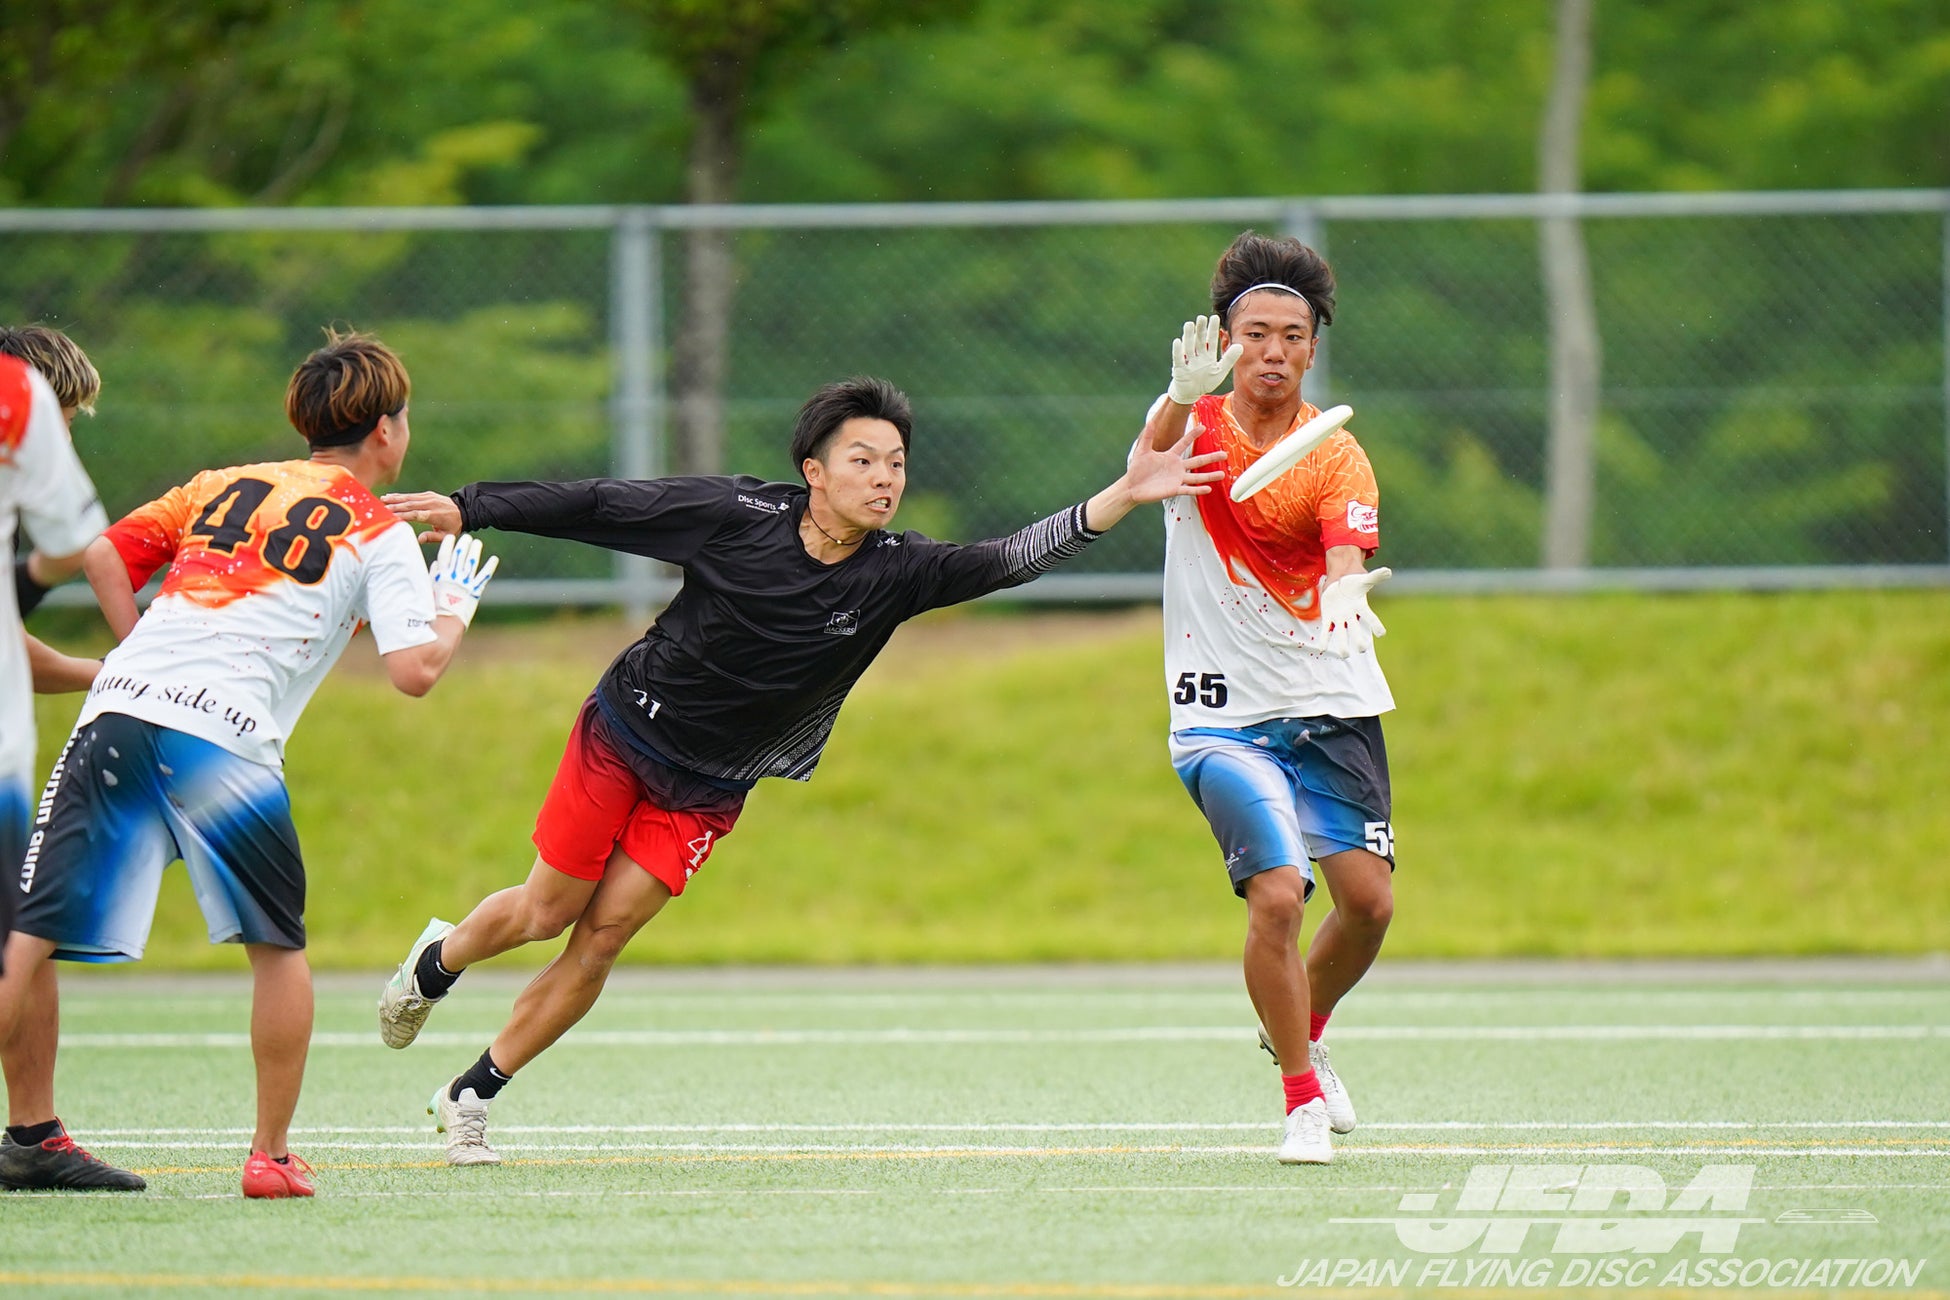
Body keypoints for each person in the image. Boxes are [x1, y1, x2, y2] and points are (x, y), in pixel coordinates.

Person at [376, 375, 1224, 1166]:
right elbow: (604, 505)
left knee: (605, 934)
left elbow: (1009, 557)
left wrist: (1121, 494)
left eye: (896, 464)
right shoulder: (734, 512)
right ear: (813, 471)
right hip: (628, 729)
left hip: (715, 781)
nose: (884, 478)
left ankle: (472, 1092)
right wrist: (468, 506)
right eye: (863, 460)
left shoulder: (899, 571)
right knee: (547, 910)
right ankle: (437, 963)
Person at [0, 330, 500, 1197]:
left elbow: (105, 555)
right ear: (387, 432)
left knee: (25, 938)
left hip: (120, 709)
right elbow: (414, 673)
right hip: (224, 736)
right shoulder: (379, 531)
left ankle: (32, 1132)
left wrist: (143, 654)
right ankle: (269, 1156)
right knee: (276, 947)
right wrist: (452, 609)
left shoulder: (222, 484)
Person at [1141, 231, 1395, 1166]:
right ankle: (1299, 1103)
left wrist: (1342, 593)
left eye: (1292, 334)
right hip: (1217, 713)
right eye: (1255, 332)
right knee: (1279, 899)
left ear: (1312, 346)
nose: (1274, 351)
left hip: (1329, 696)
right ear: (1226, 338)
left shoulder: (1336, 453)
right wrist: (1178, 397)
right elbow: (1143, 471)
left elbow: (1342, 555)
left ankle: (1304, 1024)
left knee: (1367, 906)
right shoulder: (1191, 429)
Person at [0, 328, 111, 1190]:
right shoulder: (20, 409)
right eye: (66, 419)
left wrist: (101, 673)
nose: (64, 439)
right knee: (16, 944)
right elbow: (78, 542)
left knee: (25, 936)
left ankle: (33, 1136)